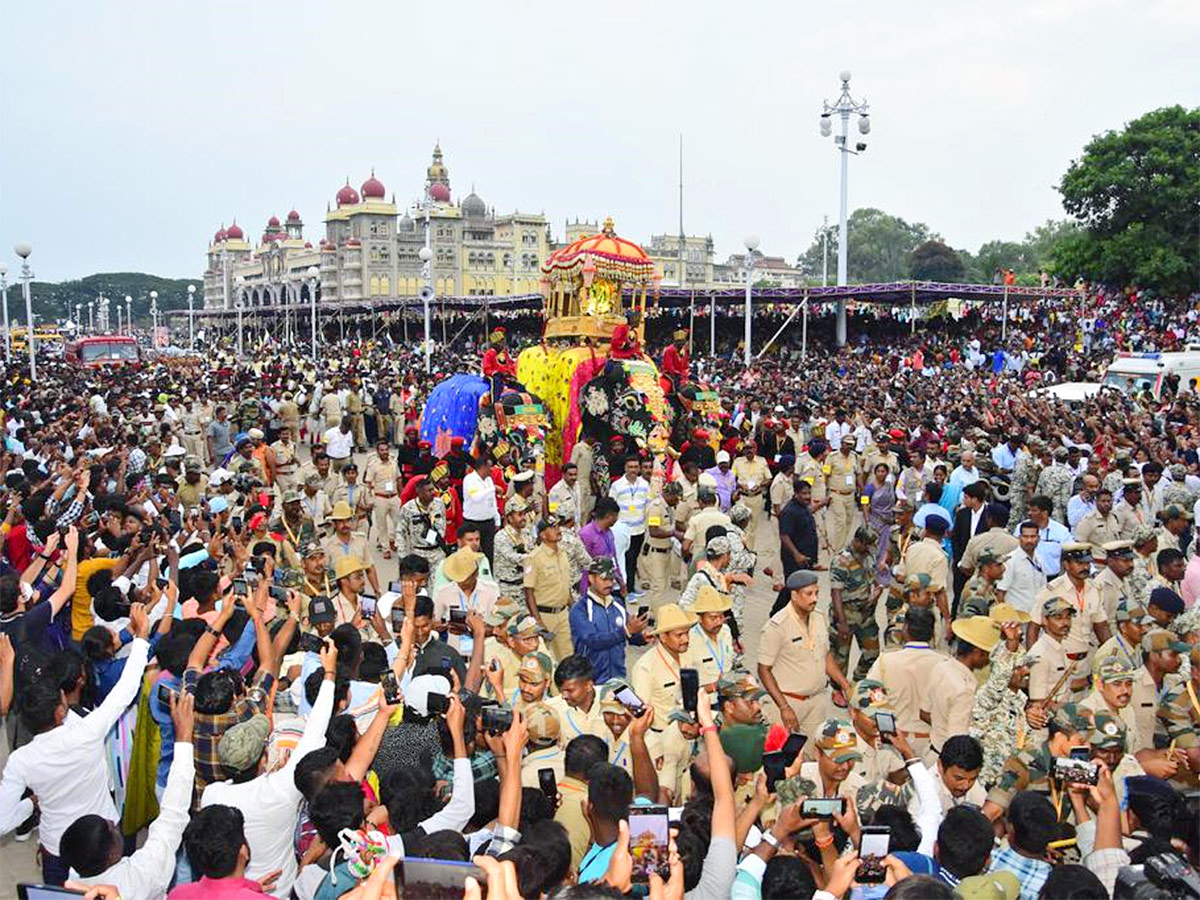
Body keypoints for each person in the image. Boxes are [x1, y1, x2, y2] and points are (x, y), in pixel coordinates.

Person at [0, 605, 152, 884]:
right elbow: (125, 691)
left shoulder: (21, 760)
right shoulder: (87, 731)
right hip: (102, 842)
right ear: (60, 711)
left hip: (57, 848)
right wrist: (142, 637)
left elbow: (2, 819)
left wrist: (32, 804)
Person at [758, 570, 852, 737]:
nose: (814, 598)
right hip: (788, 701)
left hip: (816, 702)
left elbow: (825, 655)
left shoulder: (819, 618)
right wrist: (784, 707)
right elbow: (763, 670)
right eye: (808, 594)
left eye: (816, 593)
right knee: (784, 755)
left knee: (813, 756)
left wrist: (845, 684)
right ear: (794, 595)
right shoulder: (777, 626)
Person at [569, 558, 647, 682]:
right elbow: (593, 640)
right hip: (590, 680)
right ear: (591, 578)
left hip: (618, 677)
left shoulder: (618, 604)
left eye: (611, 579)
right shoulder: (580, 609)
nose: (609, 584)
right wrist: (626, 631)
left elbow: (628, 636)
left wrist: (642, 637)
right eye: (604, 579)